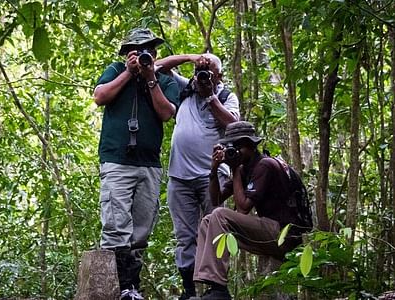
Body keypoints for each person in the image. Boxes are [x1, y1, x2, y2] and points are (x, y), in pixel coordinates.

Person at [93, 28, 180, 300]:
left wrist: (151, 77)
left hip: (149, 165)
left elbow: (167, 113)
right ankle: (116, 289)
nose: (145, 55)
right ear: (128, 53)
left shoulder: (165, 80)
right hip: (117, 161)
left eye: (150, 50)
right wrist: (129, 73)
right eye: (138, 50)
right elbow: (100, 96)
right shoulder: (116, 70)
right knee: (116, 226)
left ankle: (131, 288)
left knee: (141, 229)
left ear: (155, 54)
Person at [156, 54, 240, 299]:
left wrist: (210, 96)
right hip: (179, 177)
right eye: (199, 71)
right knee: (184, 235)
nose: (202, 75)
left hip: (211, 177)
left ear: (219, 76)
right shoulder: (186, 88)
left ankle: (217, 289)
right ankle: (189, 291)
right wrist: (192, 58)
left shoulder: (226, 96)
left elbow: (233, 124)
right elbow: (158, 67)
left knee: (215, 230)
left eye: (208, 71)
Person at [193, 121, 303, 300]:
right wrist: (214, 170)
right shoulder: (246, 169)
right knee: (208, 220)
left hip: (285, 235)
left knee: (220, 215)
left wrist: (235, 169)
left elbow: (243, 208)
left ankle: (219, 286)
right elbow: (216, 199)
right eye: (231, 146)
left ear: (251, 145)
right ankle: (214, 286)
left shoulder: (264, 166)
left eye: (238, 146)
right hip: (272, 233)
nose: (234, 151)